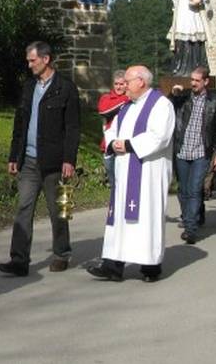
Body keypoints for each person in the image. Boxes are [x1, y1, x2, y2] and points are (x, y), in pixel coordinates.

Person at [0, 41, 80, 276]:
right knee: (24, 207)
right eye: (28, 60)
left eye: (32, 60)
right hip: (29, 160)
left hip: (54, 162)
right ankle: (19, 260)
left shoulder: (65, 88)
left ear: (46, 59)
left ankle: (61, 253)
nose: (29, 64)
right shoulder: (29, 87)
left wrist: (69, 159)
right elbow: (19, 123)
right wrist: (14, 155)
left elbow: (73, 127)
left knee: (58, 211)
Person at [87, 65, 175, 282]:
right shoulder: (126, 107)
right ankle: (112, 265)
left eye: (127, 81)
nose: (123, 85)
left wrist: (127, 144)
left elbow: (160, 136)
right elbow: (111, 129)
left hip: (148, 173)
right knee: (119, 218)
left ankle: (150, 266)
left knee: (146, 217)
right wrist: (113, 142)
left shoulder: (161, 105)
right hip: (124, 170)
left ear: (141, 82)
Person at [171, 66, 216, 244]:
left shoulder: (214, 102)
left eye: (197, 80)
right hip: (182, 151)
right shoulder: (183, 98)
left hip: (202, 152)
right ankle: (188, 220)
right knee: (183, 191)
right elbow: (168, 108)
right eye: (191, 80)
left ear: (205, 81)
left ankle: (190, 228)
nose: (193, 83)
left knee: (194, 190)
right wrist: (174, 94)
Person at [97, 71, 129, 190]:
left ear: (127, 84)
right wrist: (126, 100)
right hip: (109, 147)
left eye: (122, 84)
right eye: (116, 84)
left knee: (125, 186)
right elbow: (104, 111)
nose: (119, 87)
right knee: (114, 186)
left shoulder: (133, 99)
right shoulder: (106, 98)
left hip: (126, 147)